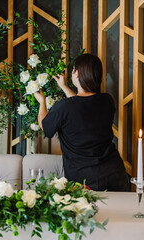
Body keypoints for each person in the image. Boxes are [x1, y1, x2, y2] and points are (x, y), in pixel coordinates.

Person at [34, 53, 129, 191]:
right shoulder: (107, 101)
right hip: (116, 174)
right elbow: (81, 105)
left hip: (87, 180)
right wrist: (64, 87)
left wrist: (42, 102)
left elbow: (45, 126)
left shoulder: (65, 106)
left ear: (76, 73)